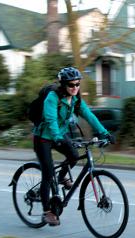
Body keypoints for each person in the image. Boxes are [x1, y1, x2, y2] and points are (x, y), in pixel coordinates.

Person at [33, 67, 115, 226]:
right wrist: (57, 137)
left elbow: (89, 115)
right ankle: (46, 212)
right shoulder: (52, 97)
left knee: (74, 156)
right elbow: (51, 120)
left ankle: (62, 177)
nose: (75, 88)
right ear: (63, 85)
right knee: (48, 174)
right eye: (71, 85)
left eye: (77, 84)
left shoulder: (76, 99)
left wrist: (104, 132)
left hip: (59, 134)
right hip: (43, 137)